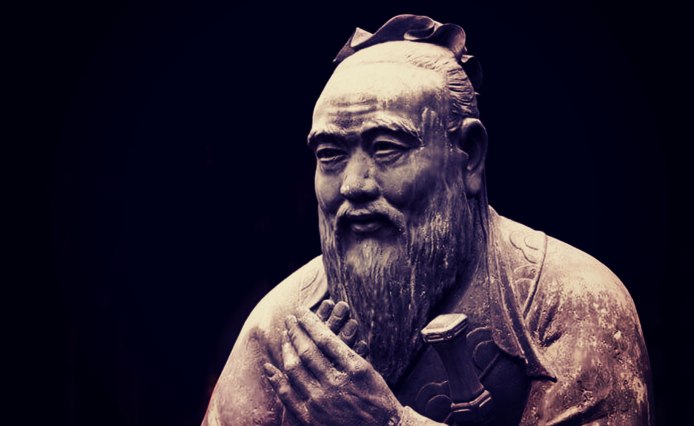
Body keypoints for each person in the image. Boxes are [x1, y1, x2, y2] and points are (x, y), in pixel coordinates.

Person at [202, 15, 653, 425]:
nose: (353, 184)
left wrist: (388, 422)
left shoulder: (566, 300)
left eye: (386, 148)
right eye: (331, 155)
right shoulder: (283, 327)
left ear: (469, 155)